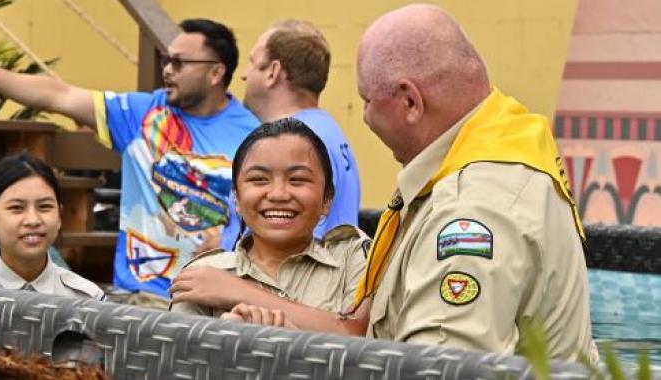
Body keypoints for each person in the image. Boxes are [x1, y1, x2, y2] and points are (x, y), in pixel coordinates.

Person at [224, 4, 598, 363]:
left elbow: (437, 366)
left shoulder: (470, 209)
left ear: (410, 101)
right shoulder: (498, 153)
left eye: (368, 101)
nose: (366, 118)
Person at [0, 19, 259, 303]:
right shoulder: (142, 114)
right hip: (138, 297)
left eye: (180, 63)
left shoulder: (253, 135)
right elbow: (59, 95)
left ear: (216, 72)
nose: (168, 70)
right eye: (166, 61)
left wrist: (229, 238)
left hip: (212, 299)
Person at [169, 118, 368, 319]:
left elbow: (359, 339)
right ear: (236, 198)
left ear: (327, 199)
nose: (278, 194)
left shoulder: (352, 261)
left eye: (297, 180)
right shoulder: (204, 276)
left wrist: (241, 293)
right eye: (259, 179)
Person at [220, 20, 361, 250]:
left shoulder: (293, 141)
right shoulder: (327, 131)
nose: (245, 75)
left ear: (272, 72)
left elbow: (286, 252)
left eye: (253, 62)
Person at [0, 153, 104, 300]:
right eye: (16, 208)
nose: (33, 220)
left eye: (44, 206)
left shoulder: (88, 299)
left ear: (59, 216)